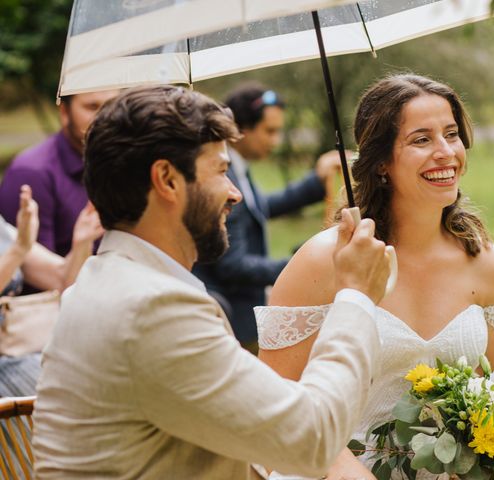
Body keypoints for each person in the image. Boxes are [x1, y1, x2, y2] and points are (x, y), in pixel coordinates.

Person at [32, 85, 392, 479]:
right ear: (167, 180)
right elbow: (312, 440)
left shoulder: (104, 280)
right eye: (221, 171)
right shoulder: (152, 310)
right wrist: (355, 296)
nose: (234, 193)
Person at [257, 74, 494, 480]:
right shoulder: (323, 261)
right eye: (421, 140)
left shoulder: (491, 266)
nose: (446, 152)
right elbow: (276, 407)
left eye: (451, 134)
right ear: (381, 161)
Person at [193, 84, 341, 352]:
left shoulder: (239, 169)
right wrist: (298, 266)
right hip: (233, 324)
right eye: (269, 131)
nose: (275, 141)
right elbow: (233, 265)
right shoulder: (227, 177)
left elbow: (261, 207)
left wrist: (317, 183)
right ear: (241, 130)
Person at [0, 185, 102, 396]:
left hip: (14, 354)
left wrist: (82, 241)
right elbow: (20, 248)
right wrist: (18, 249)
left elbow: (62, 279)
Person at [0, 91, 118, 261]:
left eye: (112, 105)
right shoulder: (32, 172)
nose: (105, 116)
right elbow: (35, 273)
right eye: (92, 106)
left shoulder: (121, 162)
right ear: (64, 112)